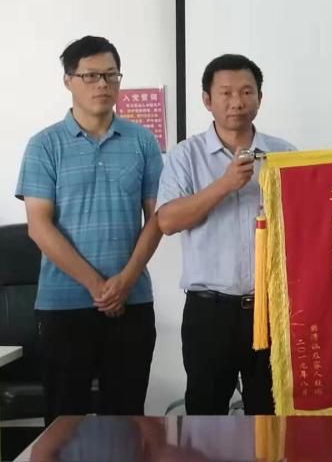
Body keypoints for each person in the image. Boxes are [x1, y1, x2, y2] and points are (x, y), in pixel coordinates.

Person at [16, 36, 162, 424]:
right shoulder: (44, 145)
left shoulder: (142, 141)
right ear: (68, 80)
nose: (103, 84)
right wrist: (98, 286)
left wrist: (124, 282)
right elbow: (39, 227)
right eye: (91, 75)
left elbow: (158, 219)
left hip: (131, 301)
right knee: (64, 423)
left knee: (127, 420)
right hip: (63, 305)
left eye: (111, 75)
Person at [156, 54, 295, 415]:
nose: (237, 102)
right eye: (226, 93)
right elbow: (167, 221)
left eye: (247, 92)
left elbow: (307, 225)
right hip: (209, 312)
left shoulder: (284, 154)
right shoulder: (185, 156)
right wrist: (224, 184)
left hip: (271, 309)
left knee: (271, 417)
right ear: (207, 99)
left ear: (260, 98)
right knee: (206, 419)